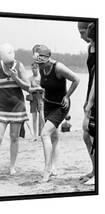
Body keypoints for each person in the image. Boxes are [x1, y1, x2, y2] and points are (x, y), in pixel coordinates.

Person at [32, 44, 80, 182]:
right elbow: (46, 85)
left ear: (48, 59)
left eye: (41, 63)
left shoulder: (58, 68)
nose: (39, 67)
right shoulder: (41, 69)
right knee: (54, 137)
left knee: (44, 133)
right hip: (47, 104)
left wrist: (67, 96)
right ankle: (54, 168)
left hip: (61, 106)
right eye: (37, 64)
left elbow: (76, 79)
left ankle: (46, 170)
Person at [0, 43, 30, 180]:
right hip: (1, 107)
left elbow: (28, 87)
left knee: (14, 138)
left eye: (10, 63)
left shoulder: (19, 66)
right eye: (6, 63)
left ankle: (12, 166)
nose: (8, 65)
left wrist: (16, 78)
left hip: (17, 107)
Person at [78, 22, 96, 184]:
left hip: (96, 96)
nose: (81, 36)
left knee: (90, 132)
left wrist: (90, 102)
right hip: (91, 93)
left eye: (83, 32)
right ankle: (95, 169)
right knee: (87, 134)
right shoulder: (90, 48)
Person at [27, 62, 45, 140]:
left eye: (35, 68)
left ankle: (44, 134)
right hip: (33, 98)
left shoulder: (41, 77)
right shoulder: (30, 78)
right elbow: (29, 89)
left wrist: (40, 89)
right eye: (32, 68)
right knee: (34, 118)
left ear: (38, 68)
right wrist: (37, 88)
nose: (34, 70)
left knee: (42, 117)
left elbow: (44, 88)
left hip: (41, 97)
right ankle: (35, 136)